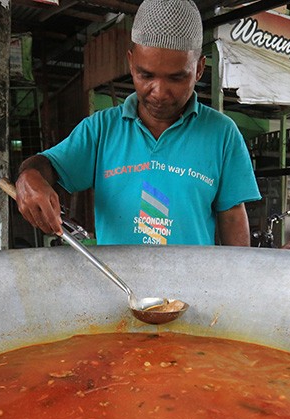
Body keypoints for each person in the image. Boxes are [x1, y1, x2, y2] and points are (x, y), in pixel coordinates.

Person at [14, 0, 260, 246]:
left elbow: (232, 218)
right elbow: (48, 165)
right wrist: (30, 176)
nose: (160, 92)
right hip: (119, 284)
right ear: (131, 64)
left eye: (176, 77)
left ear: (198, 69)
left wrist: (237, 281)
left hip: (193, 284)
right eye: (146, 75)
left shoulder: (222, 134)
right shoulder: (101, 130)